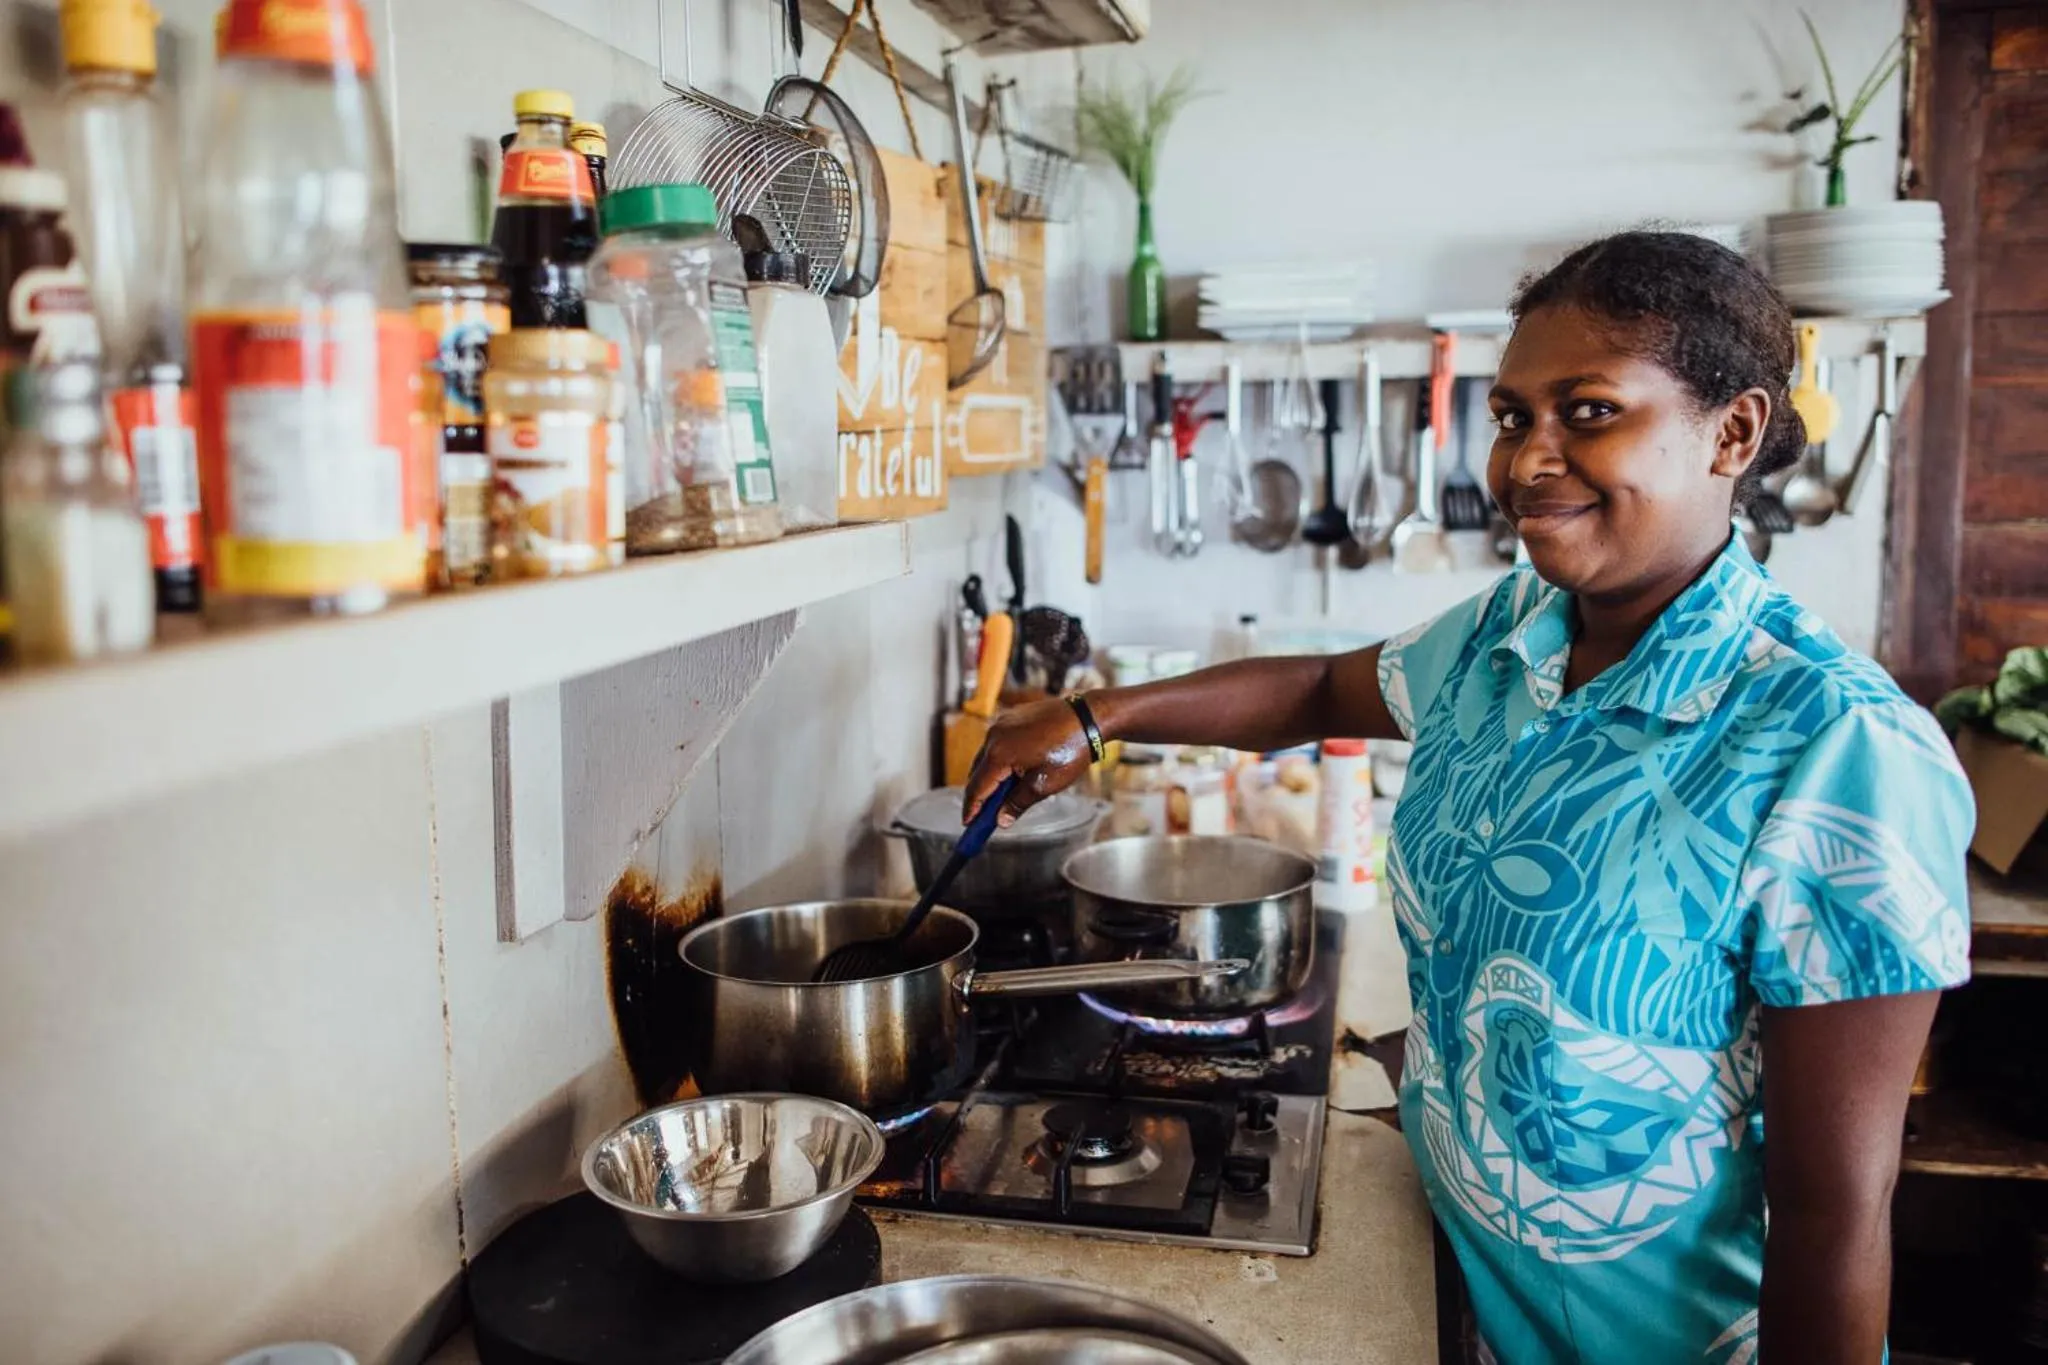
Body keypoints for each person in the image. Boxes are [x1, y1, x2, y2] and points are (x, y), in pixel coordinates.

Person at [965, 232, 1974, 1365]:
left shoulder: (1836, 749)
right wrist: (1098, 717)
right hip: (1469, 1305)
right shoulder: (1506, 636)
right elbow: (1315, 684)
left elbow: (1834, 1211)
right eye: (1509, 417)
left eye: (1587, 411)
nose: (1525, 462)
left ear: (1729, 433)